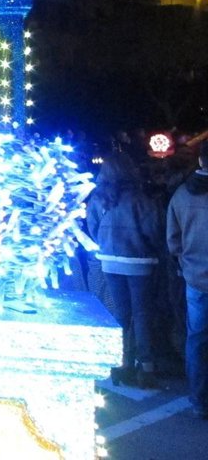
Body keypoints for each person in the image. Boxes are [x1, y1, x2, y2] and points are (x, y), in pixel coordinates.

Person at [86, 153, 164, 388]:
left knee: (121, 313)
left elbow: (93, 228)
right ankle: (146, 367)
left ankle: (121, 363)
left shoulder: (98, 198)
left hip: (110, 260)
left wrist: (105, 244)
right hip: (139, 261)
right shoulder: (141, 198)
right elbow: (154, 230)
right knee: (142, 314)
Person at [167, 144, 208, 418]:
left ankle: (199, 400)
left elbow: (173, 239)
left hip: (196, 277)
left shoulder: (182, 194)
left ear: (201, 160)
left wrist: (184, 262)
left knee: (197, 339)